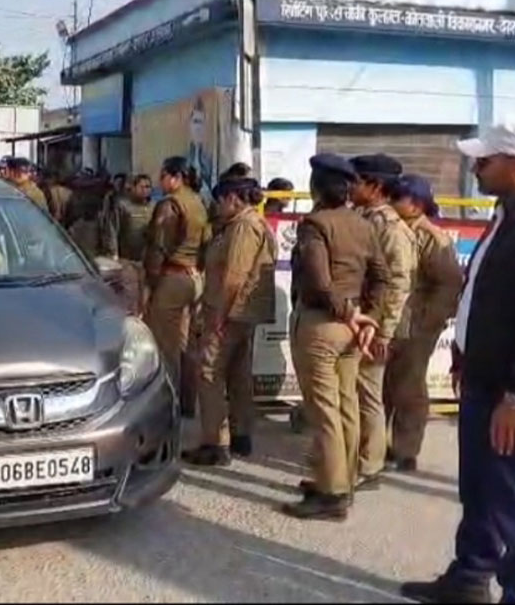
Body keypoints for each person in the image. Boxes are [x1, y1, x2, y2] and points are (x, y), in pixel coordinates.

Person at [401, 121, 515, 604]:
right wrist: (466, 356)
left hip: (512, 393)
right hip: (484, 381)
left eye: (486, 161)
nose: (475, 167)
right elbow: (485, 295)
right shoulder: (508, 216)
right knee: (480, 491)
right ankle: (470, 577)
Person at [284, 153, 388, 521]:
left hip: (322, 325)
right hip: (352, 330)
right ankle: (339, 481)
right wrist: (368, 318)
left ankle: (331, 494)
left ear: (316, 187)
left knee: (324, 411)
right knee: (346, 406)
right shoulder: (363, 225)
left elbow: (318, 280)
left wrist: (348, 311)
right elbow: (381, 277)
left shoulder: (315, 224)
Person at [184, 177, 276, 466]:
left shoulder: (243, 227)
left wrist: (220, 317)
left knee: (209, 372)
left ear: (235, 198)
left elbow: (234, 276)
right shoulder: (245, 224)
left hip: (228, 312)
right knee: (237, 374)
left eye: (221, 199)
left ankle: (215, 442)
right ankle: (240, 435)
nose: (218, 205)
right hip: (238, 313)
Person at [383, 175, 463, 472]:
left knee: (409, 386)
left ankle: (406, 449)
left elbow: (448, 285)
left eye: (398, 198)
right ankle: (382, 444)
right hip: (395, 321)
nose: (392, 203)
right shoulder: (395, 230)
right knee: (387, 383)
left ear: (416, 204)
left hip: (417, 323)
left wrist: (426, 321)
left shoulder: (432, 238)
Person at [350, 153, 417, 490]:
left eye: (356, 180)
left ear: (375, 187)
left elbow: (398, 284)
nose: (350, 187)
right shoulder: (364, 218)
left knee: (368, 395)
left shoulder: (391, 229)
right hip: (360, 319)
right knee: (355, 392)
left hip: (376, 326)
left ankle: (370, 465)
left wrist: (382, 331)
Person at [144, 157, 211, 416]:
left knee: (165, 345)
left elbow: (159, 247)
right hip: (195, 277)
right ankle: (187, 401)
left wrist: (150, 284)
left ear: (175, 177)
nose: (160, 182)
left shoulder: (170, 205)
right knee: (187, 345)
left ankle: (167, 403)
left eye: (162, 176)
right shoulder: (198, 202)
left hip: (172, 277)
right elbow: (206, 242)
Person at [102, 174, 154, 316]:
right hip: (126, 260)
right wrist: (113, 255)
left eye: (148, 187)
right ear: (133, 187)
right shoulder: (122, 205)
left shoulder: (152, 208)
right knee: (129, 297)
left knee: (144, 299)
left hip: (145, 262)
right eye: (142, 187)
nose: (145, 190)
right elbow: (112, 230)